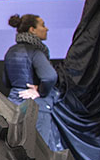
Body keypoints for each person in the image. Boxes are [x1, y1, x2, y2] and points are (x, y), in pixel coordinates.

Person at [4, 13, 61, 147]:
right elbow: (50, 76)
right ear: (32, 30)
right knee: (40, 150)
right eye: (43, 25)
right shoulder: (36, 51)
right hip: (37, 107)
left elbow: (6, 81)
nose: (46, 29)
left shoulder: (11, 51)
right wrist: (40, 91)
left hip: (12, 104)